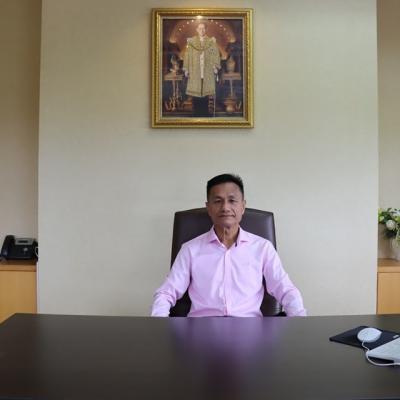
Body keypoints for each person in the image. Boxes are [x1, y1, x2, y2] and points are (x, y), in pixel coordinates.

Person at [151, 174, 306, 317]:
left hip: (250, 330)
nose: (225, 207)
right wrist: (159, 325)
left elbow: (286, 290)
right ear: (208, 208)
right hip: (201, 330)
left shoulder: (262, 248)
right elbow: (165, 293)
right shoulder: (190, 250)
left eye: (232, 201)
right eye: (218, 201)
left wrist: (300, 323)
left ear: (243, 206)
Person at [183, 22, 221, 117]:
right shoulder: (191, 42)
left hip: (207, 70)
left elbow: (215, 54)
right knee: (196, 95)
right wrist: (186, 69)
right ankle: (196, 115)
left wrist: (215, 66)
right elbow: (187, 55)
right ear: (197, 29)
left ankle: (204, 115)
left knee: (205, 94)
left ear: (206, 30)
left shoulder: (211, 42)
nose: (202, 30)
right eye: (200, 28)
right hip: (195, 70)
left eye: (203, 28)